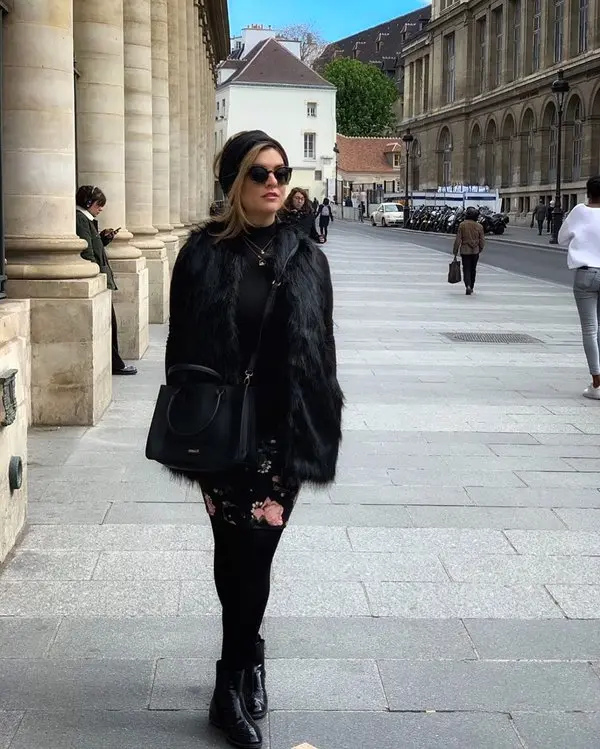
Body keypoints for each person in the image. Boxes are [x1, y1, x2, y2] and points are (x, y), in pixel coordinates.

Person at [165, 130, 343, 749]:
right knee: (231, 551)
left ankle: (234, 674)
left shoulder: (308, 256)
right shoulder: (201, 254)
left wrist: (321, 414)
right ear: (233, 182)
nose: (274, 183)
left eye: (281, 173)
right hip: (221, 430)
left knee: (257, 556)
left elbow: (323, 348)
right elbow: (181, 346)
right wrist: (192, 414)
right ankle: (242, 666)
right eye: (260, 173)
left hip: (281, 431)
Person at [75, 186, 137, 376]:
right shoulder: (81, 219)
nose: (101, 208)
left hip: (101, 275)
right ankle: (116, 364)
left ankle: (115, 363)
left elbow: (94, 246)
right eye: (98, 204)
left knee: (111, 323)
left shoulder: (87, 220)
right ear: (88, 203)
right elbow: (87, 250)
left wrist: (104, 239)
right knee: (110, 323)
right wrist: (95, 272)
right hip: (97, 276)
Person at [558, 176, 600, 399]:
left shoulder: (579, 211)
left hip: (586, 274)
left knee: (590, 329)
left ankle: (596, 382)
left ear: (588, 192)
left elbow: (561, 239)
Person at [453, 206, 485, 295]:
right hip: (475, 251)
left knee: (466, 268)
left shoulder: (462, 225)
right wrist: (480, 248)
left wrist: (455, 251)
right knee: (473, 269)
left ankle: (467, 285)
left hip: (465, 250)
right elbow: (482, 240)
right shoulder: (479, 226)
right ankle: (472, 286)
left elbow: (458, 239)